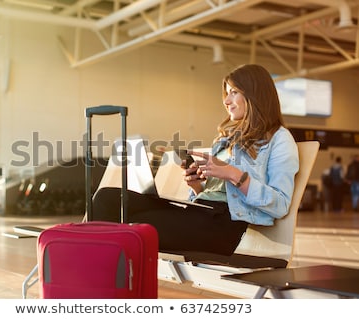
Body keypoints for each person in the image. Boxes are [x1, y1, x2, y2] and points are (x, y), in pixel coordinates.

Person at [92, 64, 299, 256]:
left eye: (234, 92)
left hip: (224, 226)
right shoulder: (229, 140)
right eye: (227, 93)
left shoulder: (280, 139)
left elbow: (280, 205)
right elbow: (213, 194)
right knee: (107, 199)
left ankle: (98, 282)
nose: (226, 101)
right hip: (200, 213)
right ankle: (98, 279)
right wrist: (197, 185)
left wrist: (232, 173)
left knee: (134, 227)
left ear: (255, 94)